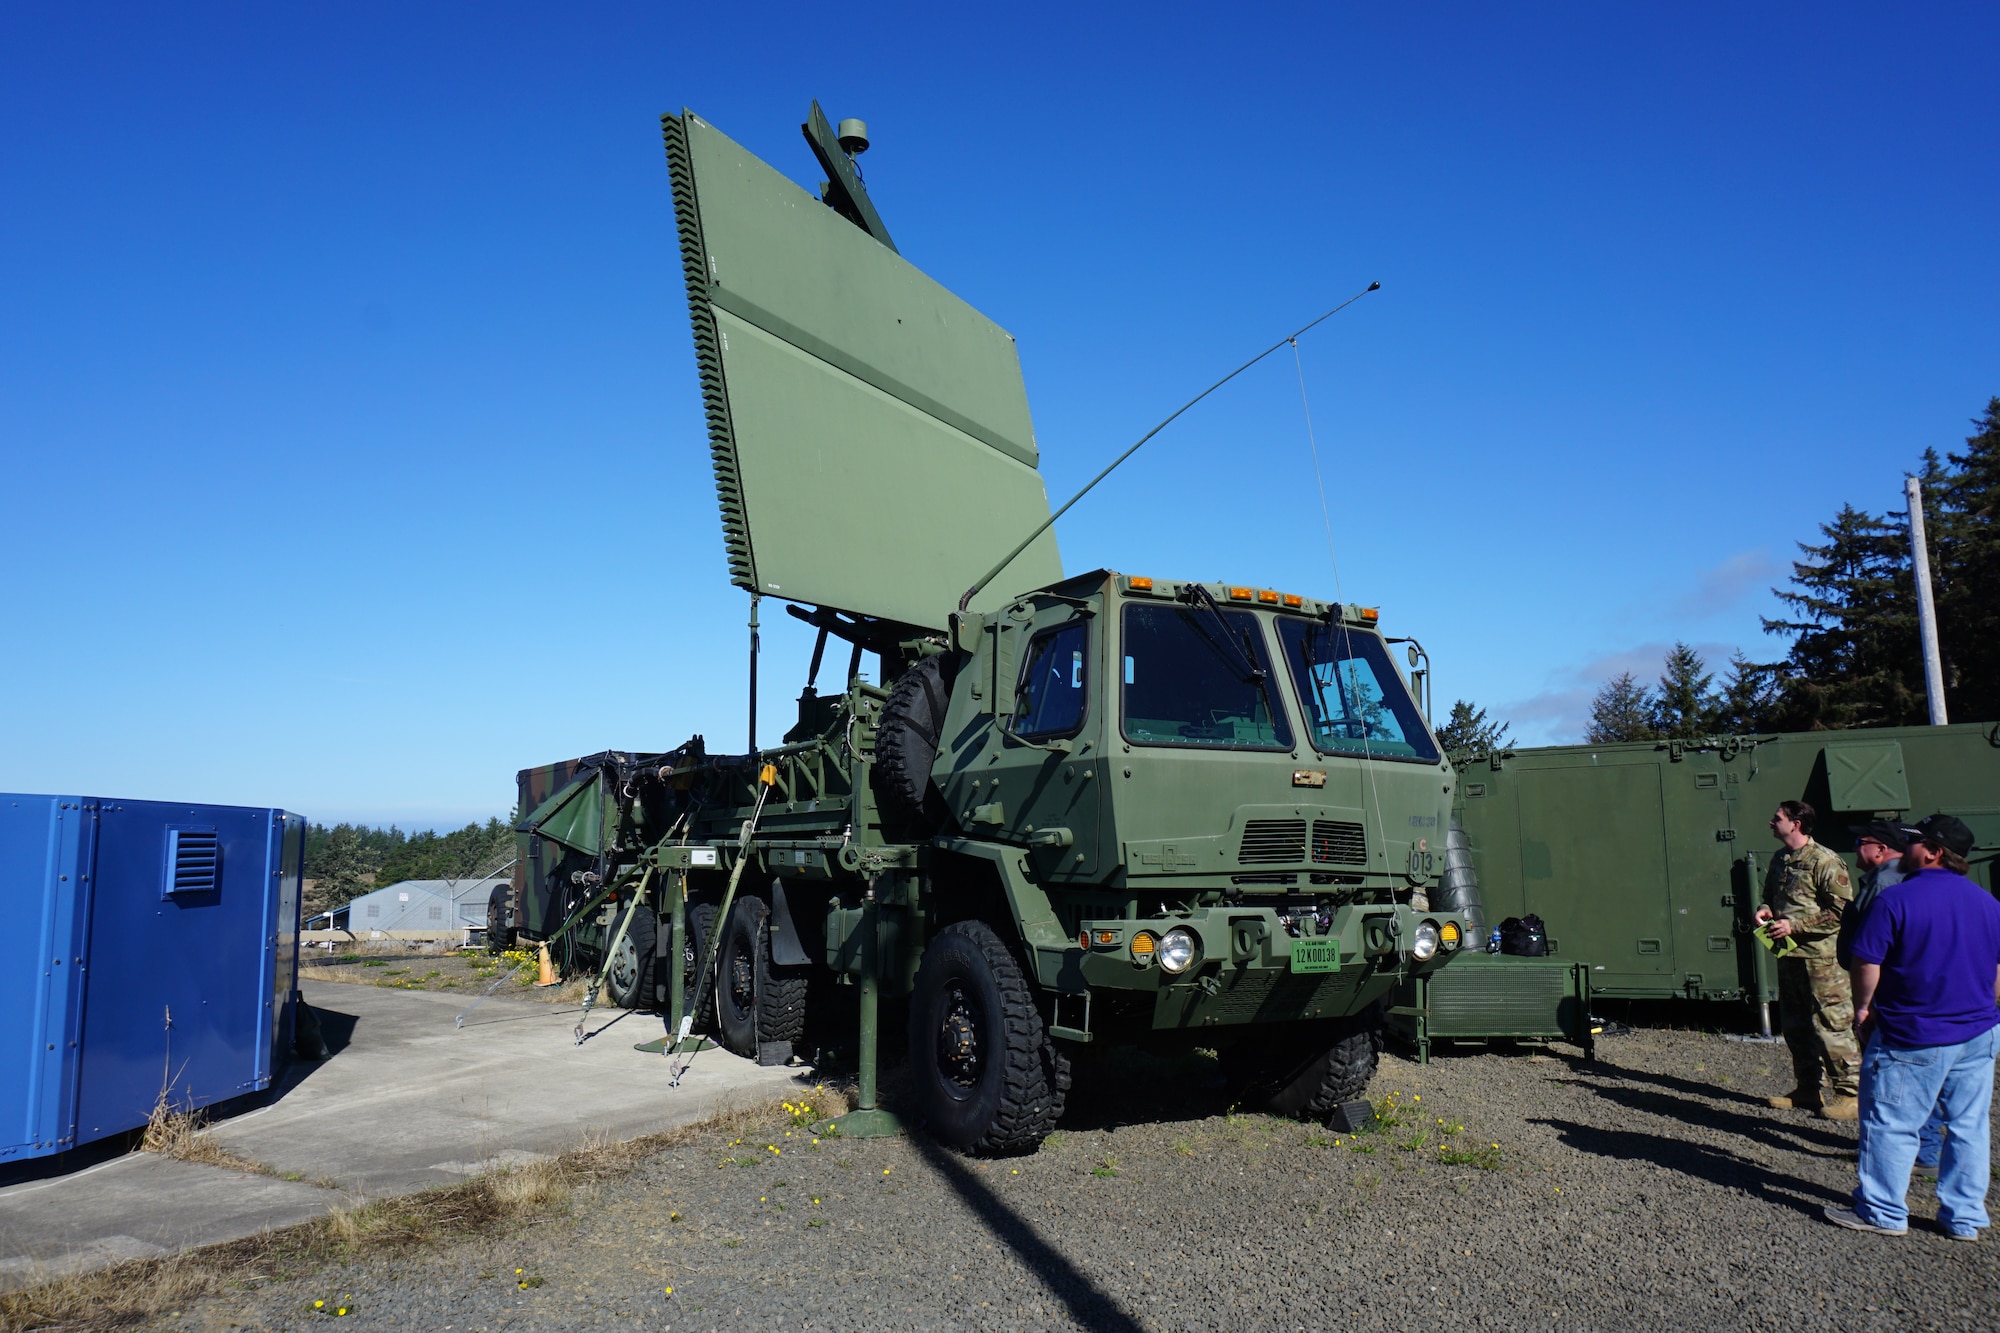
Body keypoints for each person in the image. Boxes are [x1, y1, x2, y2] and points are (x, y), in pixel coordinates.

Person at [1826, 814, 2000, 1240]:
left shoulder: (1896, 900)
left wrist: (1863, 1009)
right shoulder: (1987, 903)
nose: (1907, 850)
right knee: (1969, 1125)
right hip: (1978, 1032)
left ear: (1935, 853)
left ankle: (1882, 1211)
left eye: (1916, 843)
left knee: (1890, 1122)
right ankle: (1964, 1217)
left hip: (1913, 1032)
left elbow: (1868, 963)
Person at [1840, 820, 1943, 1171]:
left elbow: (1872, 949)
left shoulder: (1884, 882)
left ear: (1880, 849)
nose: (1856, 848)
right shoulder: (1901, 879)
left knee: (1893, 1073)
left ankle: (1917, 1149)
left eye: (1860, 842)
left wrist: (1864, 1006)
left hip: (1889, 990)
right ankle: (1923, 1144)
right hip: (1915, 990)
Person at [1755, 800, 1860, 1119]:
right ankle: (1807, 1089)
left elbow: (1842, 911)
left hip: (1822, 961)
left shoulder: (1825, 860)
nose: (1771, 823)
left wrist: (1796, 925)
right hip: (1790, 956)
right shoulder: (1780, 859)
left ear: (1796, 824)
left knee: (1831, 1023)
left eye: (1778, 818)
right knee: (1795, 1024)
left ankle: (1849, 1094)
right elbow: (1772, 897)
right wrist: (1766, 910)